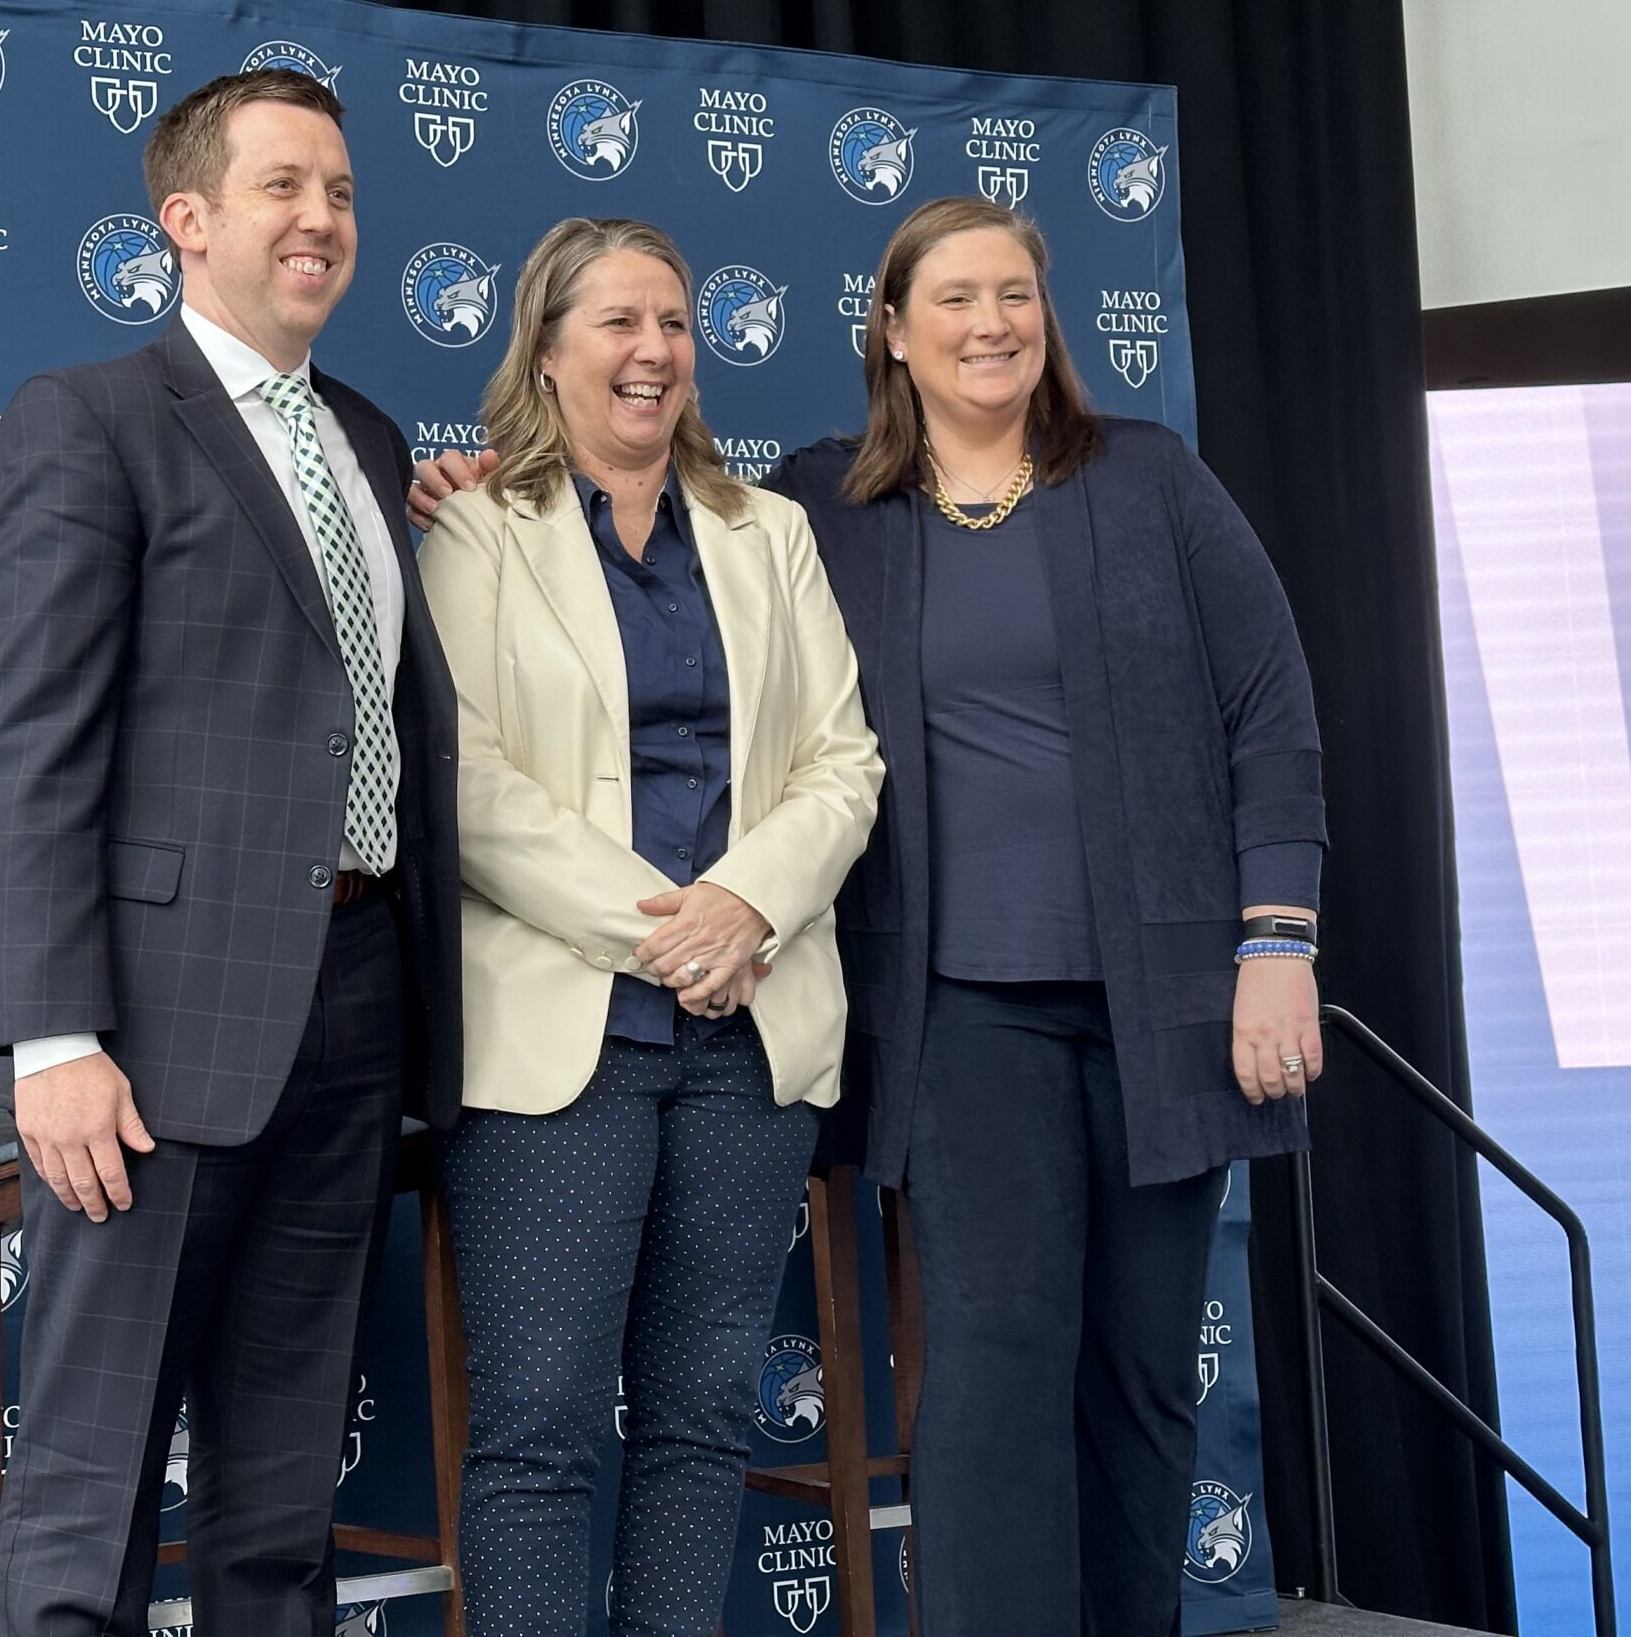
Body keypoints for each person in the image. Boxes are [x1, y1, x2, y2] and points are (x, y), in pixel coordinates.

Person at [411, 194, 1324, 1637]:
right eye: (954, 297)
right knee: (971, 1370)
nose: (992, 323)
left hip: (1087, 1014)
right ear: (892, 333)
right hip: (899, 1018)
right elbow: (495, 742)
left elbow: (1255, 711)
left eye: (1016, 293)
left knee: (1132, 1376)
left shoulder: (1116, 485)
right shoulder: (803, 507)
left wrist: (1278, 939)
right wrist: (674, 922)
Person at [0, 67, 461, 1637]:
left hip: (360, 995)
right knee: (96, 1474)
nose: (322, 218)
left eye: (343, 191)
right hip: (154, 1026)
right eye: (283, 187)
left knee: (283, 1485)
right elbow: (30, 743)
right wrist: (52, 1037)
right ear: (186, 221)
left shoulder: (375, 444)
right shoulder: (91, 419)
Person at [413, 217, 882, 1637]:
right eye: (617, 323)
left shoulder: (772, 532)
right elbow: (464, 779)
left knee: (700, 1419)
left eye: (672, 323)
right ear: (547, 353)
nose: (653, 351)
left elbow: (843, 762)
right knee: (542, 1427)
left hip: (751, 1035)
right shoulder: (474, 528)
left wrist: (748, 907)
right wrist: (668, 931)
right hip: (563, 1043)